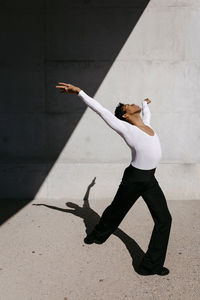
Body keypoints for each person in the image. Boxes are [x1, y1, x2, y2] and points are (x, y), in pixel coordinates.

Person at [56, 82, 172, 276]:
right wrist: (80, 92)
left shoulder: (147, 124)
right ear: (125, 115)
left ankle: (150, 266)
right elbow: (101, 110)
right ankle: (97, 234)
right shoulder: (126, 129)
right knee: (116, 210)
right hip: (134, 179)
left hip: (150, 179)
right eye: (127, 105)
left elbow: (147, 112)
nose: (130, 103)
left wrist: (145, 102)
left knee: (165, 219)